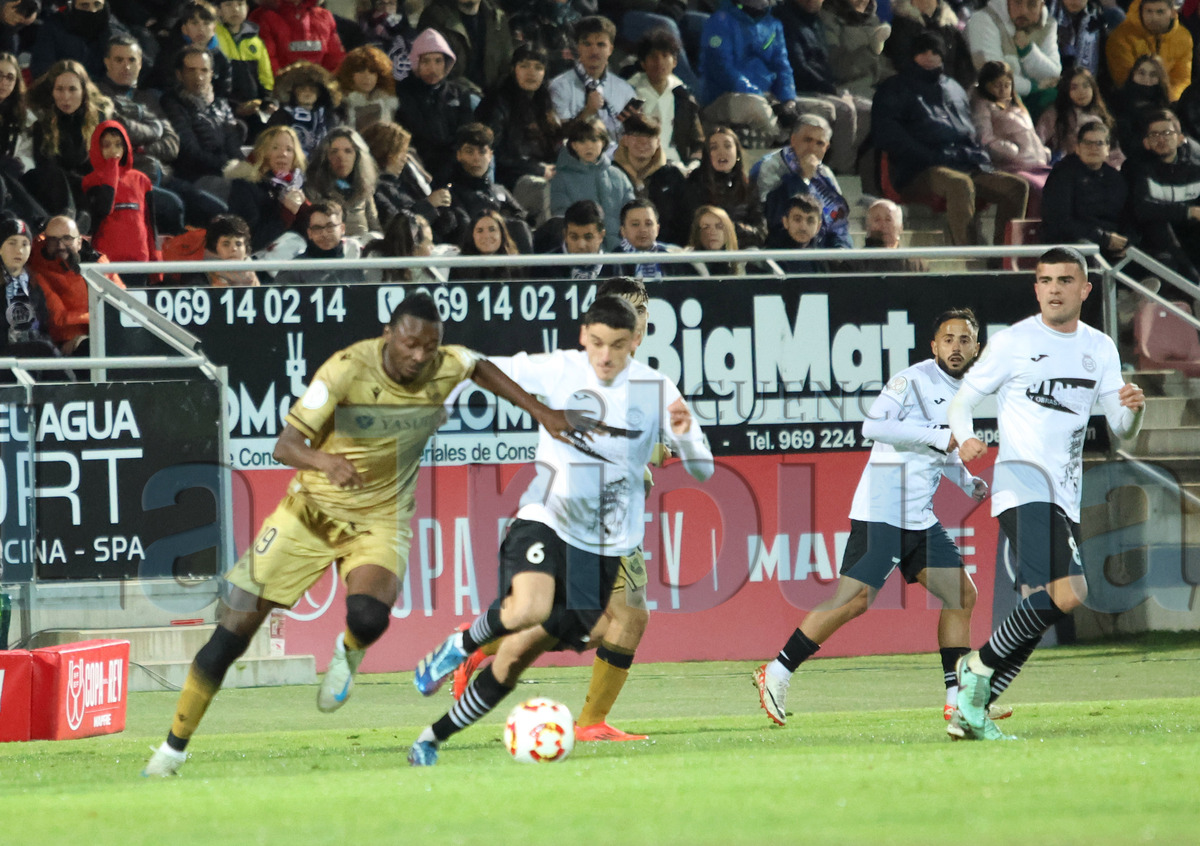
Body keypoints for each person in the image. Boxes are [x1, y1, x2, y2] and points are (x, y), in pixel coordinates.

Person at [142, 292, 577, 777]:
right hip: (306, 514)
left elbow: (478, 366)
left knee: (370, 617)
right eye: (410, 344)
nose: (419, 356)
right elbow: (286, 445)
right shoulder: (345, 370)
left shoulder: (447, 364)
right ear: (388, 335)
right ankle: (171, 750)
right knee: (232, 633)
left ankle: (347, 653)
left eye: (429, 348)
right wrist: (325, 460)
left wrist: (543, 414)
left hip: (380, 519)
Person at [406, 293, 714, 766]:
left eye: (616, 345)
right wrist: (541, 412)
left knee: (516, 658)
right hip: (547, 521)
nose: (605, 357)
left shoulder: (657, 389)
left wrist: (686, 443)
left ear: (635, 341)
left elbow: (703, 466)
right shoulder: (560, 369)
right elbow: (474, 363)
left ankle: (431, 736)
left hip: (605, 548)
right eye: (595, 343)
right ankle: (459, 645)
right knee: (529, 605)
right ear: (582, 338)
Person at [946, 246, 1145, 741]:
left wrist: (1134, 409)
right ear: (1035, 288)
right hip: (1023, 482)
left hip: (1065, 494)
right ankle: (977, 667)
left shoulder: (1098, 348)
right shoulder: (1015, 342)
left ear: (1084, 289)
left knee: (1040, 605)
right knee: (1073, 590)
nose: (1054, 288)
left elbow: (1122, 429)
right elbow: (963, 399)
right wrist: (967, 435)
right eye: (1045, 280)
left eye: (1064, 280)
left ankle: (973, 710)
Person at [756, 309, 989, 728]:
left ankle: (957, 703)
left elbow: (943, 449)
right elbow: (873, 426)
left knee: (961, 595)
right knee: (853, 601)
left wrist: (966, 480)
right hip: (883, 509)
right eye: (948, 339)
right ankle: (776, 671)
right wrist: (943, 438)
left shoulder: (966, 394)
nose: (956, 346)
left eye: (964, 339)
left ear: (977, 347)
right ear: (933, 345)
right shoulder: (911, 380)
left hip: (918, 515)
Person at [872, 32, 1030, 247]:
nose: (929, 56)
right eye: (922, 51)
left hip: (962, 163)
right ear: (912, 55)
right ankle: (971, 259)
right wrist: (931, 156)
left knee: (1016, 187)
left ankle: (1003, 258)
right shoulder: (894, 88)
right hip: (918, 170)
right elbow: (889, 136)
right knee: (959, 184)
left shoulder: (954, 88)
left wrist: (979, 155)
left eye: (935, 51)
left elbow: (968, 132)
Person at [774, 0, 869, 174]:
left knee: (867, 110)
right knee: (844, 110)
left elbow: (824, 64)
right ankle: (838, 172)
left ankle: (847, 167)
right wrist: (833, 91)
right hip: (799, 88)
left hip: (823, 86)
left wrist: (837, 89)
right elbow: (799, 67)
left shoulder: (815, 21)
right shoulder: (785, 18)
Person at [474, 43, 562, 225]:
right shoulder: (496, 103)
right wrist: (538, 170)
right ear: (513, 69)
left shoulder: (544, 103)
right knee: (540, 188)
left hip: (542, 172)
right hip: (509, 180)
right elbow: (494, 154)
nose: (531, 72)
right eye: (524, 66)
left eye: (538, 67)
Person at [25, 59, 114, 218]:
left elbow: (102, 166)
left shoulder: (99, 120)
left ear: (83, 91)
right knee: (53, 177)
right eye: (59, 89)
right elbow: (46, 168)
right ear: (52, 91)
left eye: (72, 89)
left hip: (89, 189)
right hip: (56, 191)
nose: (65, 97)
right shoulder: (42, 124)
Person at [699, 0, 798, 143]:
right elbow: (721, 69)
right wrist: (761, 95)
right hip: (723, 98)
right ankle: (782, 151)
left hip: (768, 98)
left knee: (821, 110)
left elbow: (782, 66)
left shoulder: (773, 25)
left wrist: (788, 100)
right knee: (756, 106)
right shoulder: (719, 22)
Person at [27, 214, 124, 356]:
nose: (60, 246)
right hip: (67, 345)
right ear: (46, 242)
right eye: (53, 240)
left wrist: (91, 333)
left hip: (103, 335)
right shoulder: (37, 270)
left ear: (79, 242)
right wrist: (95, 324)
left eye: (67, 238)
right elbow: (59, 321)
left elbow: (123, 306)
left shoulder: (99, 263)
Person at [754, 113, 852, 247]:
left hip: (819, 252)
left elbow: (838, 222)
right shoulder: (770, 165)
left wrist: (841, 248)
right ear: (793, 140)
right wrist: (802, 177)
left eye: (820, 143)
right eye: (807, 140)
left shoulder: (825, 173)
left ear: (826, 148)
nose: (812, 148)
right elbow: (773, 216)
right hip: (783, 249)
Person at [1125, 109, 1200, 280]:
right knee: (1158, 223)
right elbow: (1143, 209)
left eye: (1167, 133)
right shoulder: (1138, 170)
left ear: (1180, 138)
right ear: (1146, 143)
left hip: (1191, 237)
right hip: (1155, 242)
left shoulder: (1196, 170)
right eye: (1154, 135)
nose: (1161, 139)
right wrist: (1188, 212)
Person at [1040, 121, 1130, 261]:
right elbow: (1060, 221)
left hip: (1109, 242)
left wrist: (1126, 241)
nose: (1093, 148)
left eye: (1099, 143)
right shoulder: (1062, 174)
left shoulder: (1115, 178)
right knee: (1088, 251)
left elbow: (1127, 217)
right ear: (1077, 148)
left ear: (1108, 148)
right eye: (1087, 143)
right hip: (1072, 244)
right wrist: (1103, 238)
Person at [970, 60, 1051, 214]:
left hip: (1039, 165)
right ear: (986, 85)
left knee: (1061, 188)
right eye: (996, 85)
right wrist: (1012, 152)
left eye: (1007, 85)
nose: (1002, 90)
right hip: (1014, 167)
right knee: (1039, 190)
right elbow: (985, 138)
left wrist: (1044, 151)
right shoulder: (983, 105)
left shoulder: (1017, 105)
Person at [394, 28, 474, 183]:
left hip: (454, 162)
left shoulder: (459, 93)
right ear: (416, 63)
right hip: (418, 162)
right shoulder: (404, 93)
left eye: (438, 61)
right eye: (426, 61)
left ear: (446, 63)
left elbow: (466, 132)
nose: (433, 68)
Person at [159, 45, 247, 185]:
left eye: (204, 70)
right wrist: (227, 167)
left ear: (211, 74)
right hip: (195, 176)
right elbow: (189, 152)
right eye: (191, 70)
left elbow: (232, 145)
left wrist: (243, 168)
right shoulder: (171, 103)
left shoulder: (220, 104)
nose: (198, 77)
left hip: (224, 171)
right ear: (179, 74)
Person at [362, 119, 458, 243]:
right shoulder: (374, 189)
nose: (404, 158)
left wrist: (442, 208)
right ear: (386, 152)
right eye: (401, 151)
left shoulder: (406, 182)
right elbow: (396, 225)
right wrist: (428, 205)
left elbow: (445, 226)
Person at [443, 122, 532, 254]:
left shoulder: (499, 190)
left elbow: (522, 218)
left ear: (490, 155)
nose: (476, 158)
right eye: (469, 151)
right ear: (459, 155)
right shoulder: (450, 193)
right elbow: (464, 230)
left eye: (482, 152)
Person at [965, 0, 1061, 121]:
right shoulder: (982, 20)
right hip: (990, 104)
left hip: (1026, 100)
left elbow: (1053, 73)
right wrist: (1033, 87)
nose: (1023, 11)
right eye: (1017, 2)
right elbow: (992, 75)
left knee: (1056, 97)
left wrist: (1028, 51)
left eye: (1032, 5)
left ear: (1042, 5)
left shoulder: (1047, 24)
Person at [550, 118, 635, 250]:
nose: (589, 146)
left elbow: (632, 214)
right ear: (573, 145)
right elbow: (562, 218)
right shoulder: (561, 178)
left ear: (603, 142)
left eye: (594, 140)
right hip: (581, 250)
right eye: (582, 141)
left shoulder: (618, 176)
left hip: (620, 251)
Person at [81, 120, 159, 266]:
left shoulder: (142, 180)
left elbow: (150, 224)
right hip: (105, 261)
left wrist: (155, 261)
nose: (114, 150)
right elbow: (104, 208)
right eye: (106, 145)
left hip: (139, 259)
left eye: (118, 144)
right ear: (97, 148)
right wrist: (112, 169)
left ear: (126, 147)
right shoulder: (90, 181)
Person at [547, 16, 635, 143]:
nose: (594, 51)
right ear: (578, 47)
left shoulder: (625, 90)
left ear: (610, 49)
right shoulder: (559, 86)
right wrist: (587, 113)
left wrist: (638, 125)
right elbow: (558, 138)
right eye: (587, 44)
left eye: (601, 45)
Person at [626, 29, 705, 169]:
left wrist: (694, 165)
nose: (659, 62)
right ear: (643, 63)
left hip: (674, 165)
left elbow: (697, 142)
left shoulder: (683, 97)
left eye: (665, 56)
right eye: (653, 57)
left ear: (674, 62)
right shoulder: (629, 93)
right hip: (637, 164)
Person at [678, 126, 766, 248]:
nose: (721, 152)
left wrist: (733, 229)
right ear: (707, 155)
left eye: (727, 146)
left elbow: (760, 232)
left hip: (741, 251)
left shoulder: (749, 186)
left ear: (737, 153)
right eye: (714, 148)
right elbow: (691, 228)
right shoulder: (695, 182)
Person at [225, 125, 308, 251]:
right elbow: (249, 243)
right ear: (261, 153)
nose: (283, 154)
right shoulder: (244, 186)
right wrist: (286, 213)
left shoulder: (296, 186)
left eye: (289, 149)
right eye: (275, 148)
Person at [612, 112, 687, 237]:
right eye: (636, 135)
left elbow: (684, 218)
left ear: (658, 141)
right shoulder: (610, 175)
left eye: (649, 136)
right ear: (625, 140)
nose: (643, 141)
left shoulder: (672, 176)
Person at [416, 0, 513, 95]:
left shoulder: (497, 18)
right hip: (452, 98)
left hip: (491, 99)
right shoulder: (435, 17)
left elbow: (506, 64)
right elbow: (436, 69)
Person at [1106, 0, 1192, 104]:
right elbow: (1124, 79)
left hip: (1169, 102)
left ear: (1173, 13)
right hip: (1130, 102)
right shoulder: (1121, 36)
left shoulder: (1183, 37)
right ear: (1141, 11)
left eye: (1160, 12)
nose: (1154, 18)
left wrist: (1167, 102)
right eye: (1149, 11)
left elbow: (1182, 79)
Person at [1035, 67, 1122, 167]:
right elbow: (1037, 142)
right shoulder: (1054, 114)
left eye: (1086, 86)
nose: (1081, 92)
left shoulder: (1102, 114)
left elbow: (1115, 152)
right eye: (1074, 88)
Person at [304, 126, 380, 240]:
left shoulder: (364, 189)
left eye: (348, 151)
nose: (341, 157)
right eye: (334, 152)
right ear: (325, 157)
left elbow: (375, 228)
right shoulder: (313, 189)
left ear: (358, 156)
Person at [886, 0, 976, 91]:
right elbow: (902, 66)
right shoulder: (901, 23)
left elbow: (966, 73)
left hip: (947, 97)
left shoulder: (950, 28)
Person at [0, 216, 57, 359]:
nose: (19, 250)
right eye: (12, 243)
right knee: (45, 350)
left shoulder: (33, 285)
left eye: (25, 244)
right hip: (5, 355)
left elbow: (44, 327)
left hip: (31, 353)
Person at [274, 200, 367, 283]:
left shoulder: (359, 265)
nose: (324, 234)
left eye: (330, 227)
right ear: (309, 233)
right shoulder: (293, 270)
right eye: (317, 228)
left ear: (342, 229)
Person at [267, 60, 343, 158]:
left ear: (320, 92)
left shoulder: (327, 116)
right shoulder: (282, 115)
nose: (307, 92)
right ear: (293, 91)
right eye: (302, 89)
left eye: (312, 89)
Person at [249, 0, 345, 74]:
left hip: (317, 91)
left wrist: (324, 86)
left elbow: (335, 58)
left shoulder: (324, 16)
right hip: (279, 92)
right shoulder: (262, 16)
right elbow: (265, 61)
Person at [610, 197, 692, 279]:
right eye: (635, 224)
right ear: (623, 231)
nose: (643, 230)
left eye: (648, 224)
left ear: (657, 229)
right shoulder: (612, 261)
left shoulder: (673, 257)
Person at [215, 0, 275, 108]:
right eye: (228, 4)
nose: (235, 9)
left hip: (253, 106)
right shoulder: (213, 38)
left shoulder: (255, 41)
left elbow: (265, 77)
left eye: (240, 4)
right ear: (218, 10)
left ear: (247, 8)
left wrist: (268, 100)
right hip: (224, 106)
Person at [842, 198, 931, 271]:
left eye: (888, 220)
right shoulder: (854, 263)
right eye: (877, 220)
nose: (883, 225)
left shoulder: (917, 264)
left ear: (901, 227)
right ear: (867, 227)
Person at [535, 198, 612, 281]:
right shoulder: (544, 266)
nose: (581, 245)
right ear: (565, 235)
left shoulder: (615, 266)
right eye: (574, 237)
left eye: (588, 237)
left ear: (601, 236)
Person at [764, 192, 831, 273]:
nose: (803, 227)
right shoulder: (767, 260)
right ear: (785, 222)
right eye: (797, 219)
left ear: (818, 227)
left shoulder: (824, 259)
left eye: (810, 221)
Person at [337, 44, 399, 132]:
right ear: (349, 73)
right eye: (360, 71)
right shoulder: (339, 106)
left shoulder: (388, 103)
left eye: (372, 72)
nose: (367, 77)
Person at [451, 208, 520, 280]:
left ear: (502, 234)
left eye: (492, 229)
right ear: (472, 235)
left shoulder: (517, 265)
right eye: (480, 231)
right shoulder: (458, 266)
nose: (486, 236)